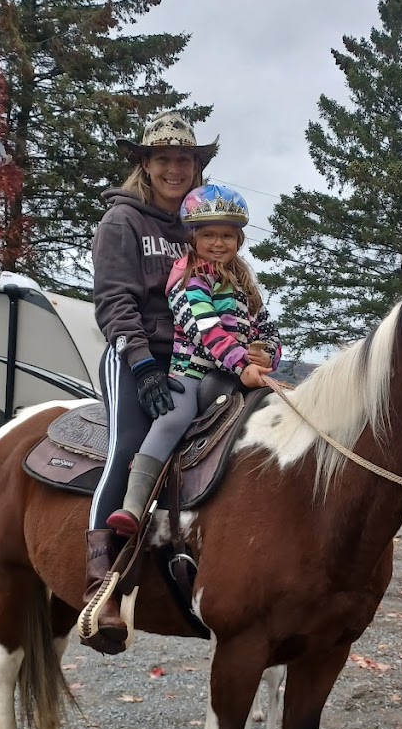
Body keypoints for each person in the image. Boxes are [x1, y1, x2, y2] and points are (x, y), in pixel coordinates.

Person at [83, 112, 219, 652]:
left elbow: (226, 287)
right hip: (136, 355)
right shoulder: (122, 223)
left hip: (198, 358)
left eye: (184, 159)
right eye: (163, 158)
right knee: (127, 448)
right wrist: (140, 364)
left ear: (196, 165)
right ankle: (102, 583)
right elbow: (113, 301)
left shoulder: (201, 225)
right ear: (145, 162)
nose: (174, 168)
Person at [106, 183, 282, 538]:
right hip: (192, 372)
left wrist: (268, 353)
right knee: (173, 419)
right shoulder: (189, 279)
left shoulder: (244, 281)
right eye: (210, 235)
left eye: (228, 236)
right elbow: (207, 331)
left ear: (239, 240)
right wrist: (241, 365)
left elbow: (265, 324)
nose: (219, 243)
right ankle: (134, 503)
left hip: (236, 375)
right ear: (193, 237)